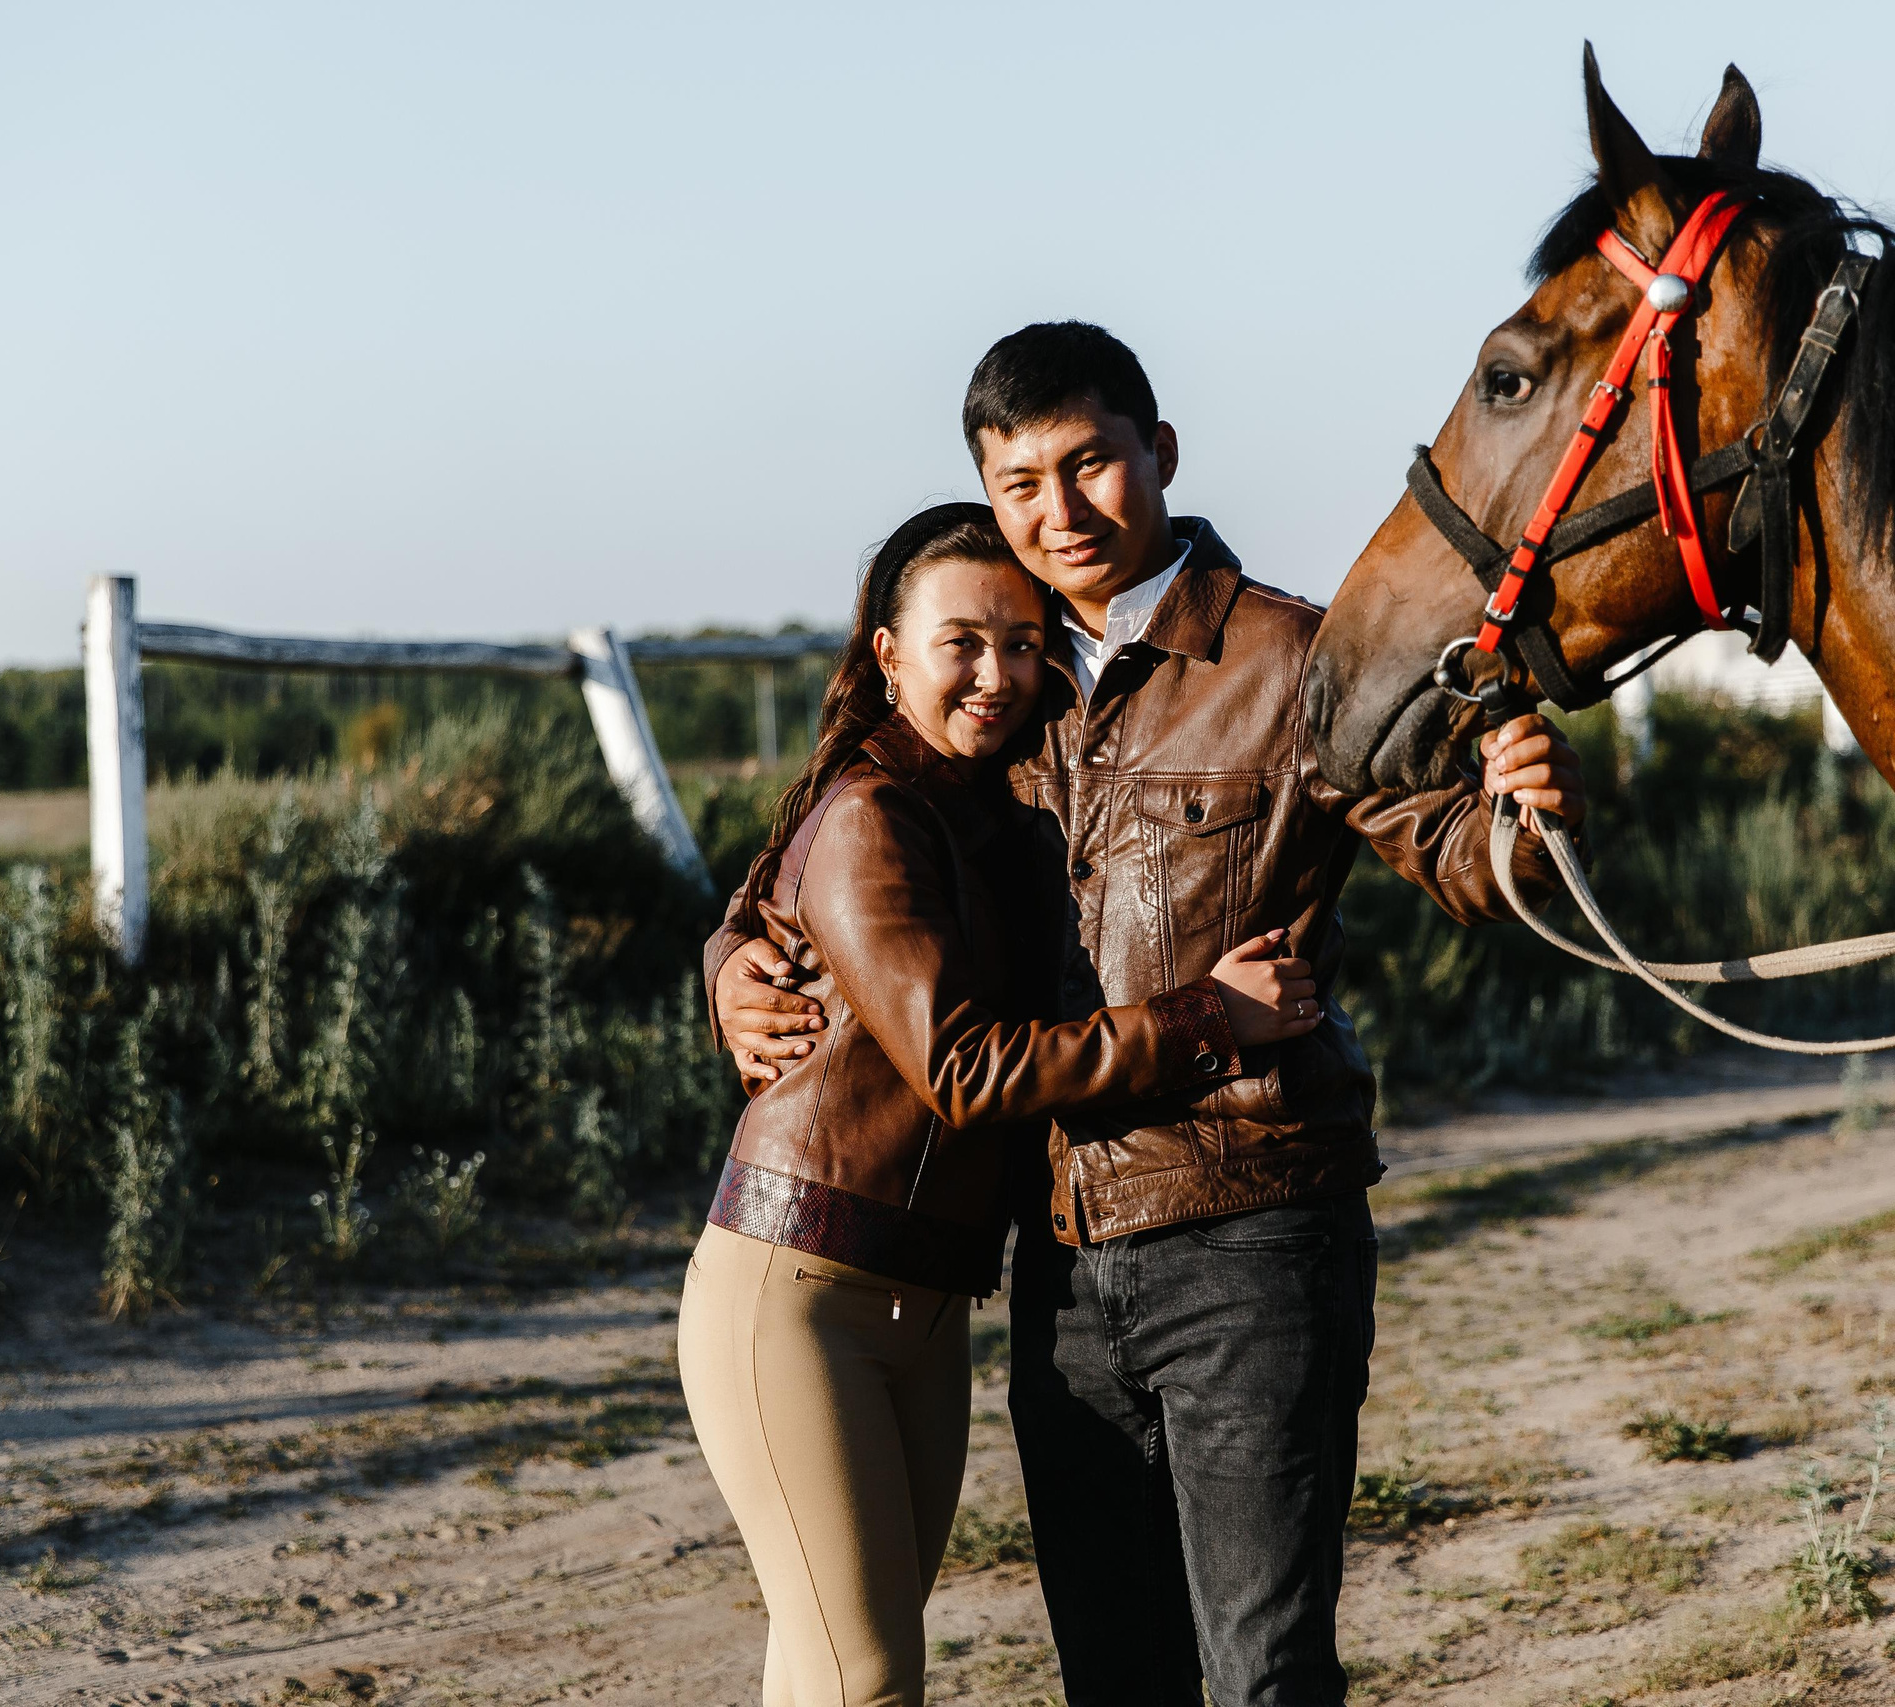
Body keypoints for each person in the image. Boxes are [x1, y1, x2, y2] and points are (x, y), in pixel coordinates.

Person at [711, 326, 1587, 1706]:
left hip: (1249, 1237)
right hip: (1059, 1257)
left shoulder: (1300, 659)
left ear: (1159, 453)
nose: (1057, 513)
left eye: (1089, 465)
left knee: (1259, 1668)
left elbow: (1465, 858)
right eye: (1018, 484)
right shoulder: (1010, 681)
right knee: (1116, 1674)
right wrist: (727, 956)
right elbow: (844, 828)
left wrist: (1526, 812)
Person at [676, 500, 1327, 1707]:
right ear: (885, 653)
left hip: (917, 1304)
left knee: (841, 1656)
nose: (997, 673)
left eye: (1023, 643)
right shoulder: (876, 810)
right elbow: (967, 1068)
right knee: (858, 1673)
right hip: (802, 1291)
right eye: (960, 644)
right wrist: (1210, 1021)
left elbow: (766, 902)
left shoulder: (997, 803)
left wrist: (726, 949)